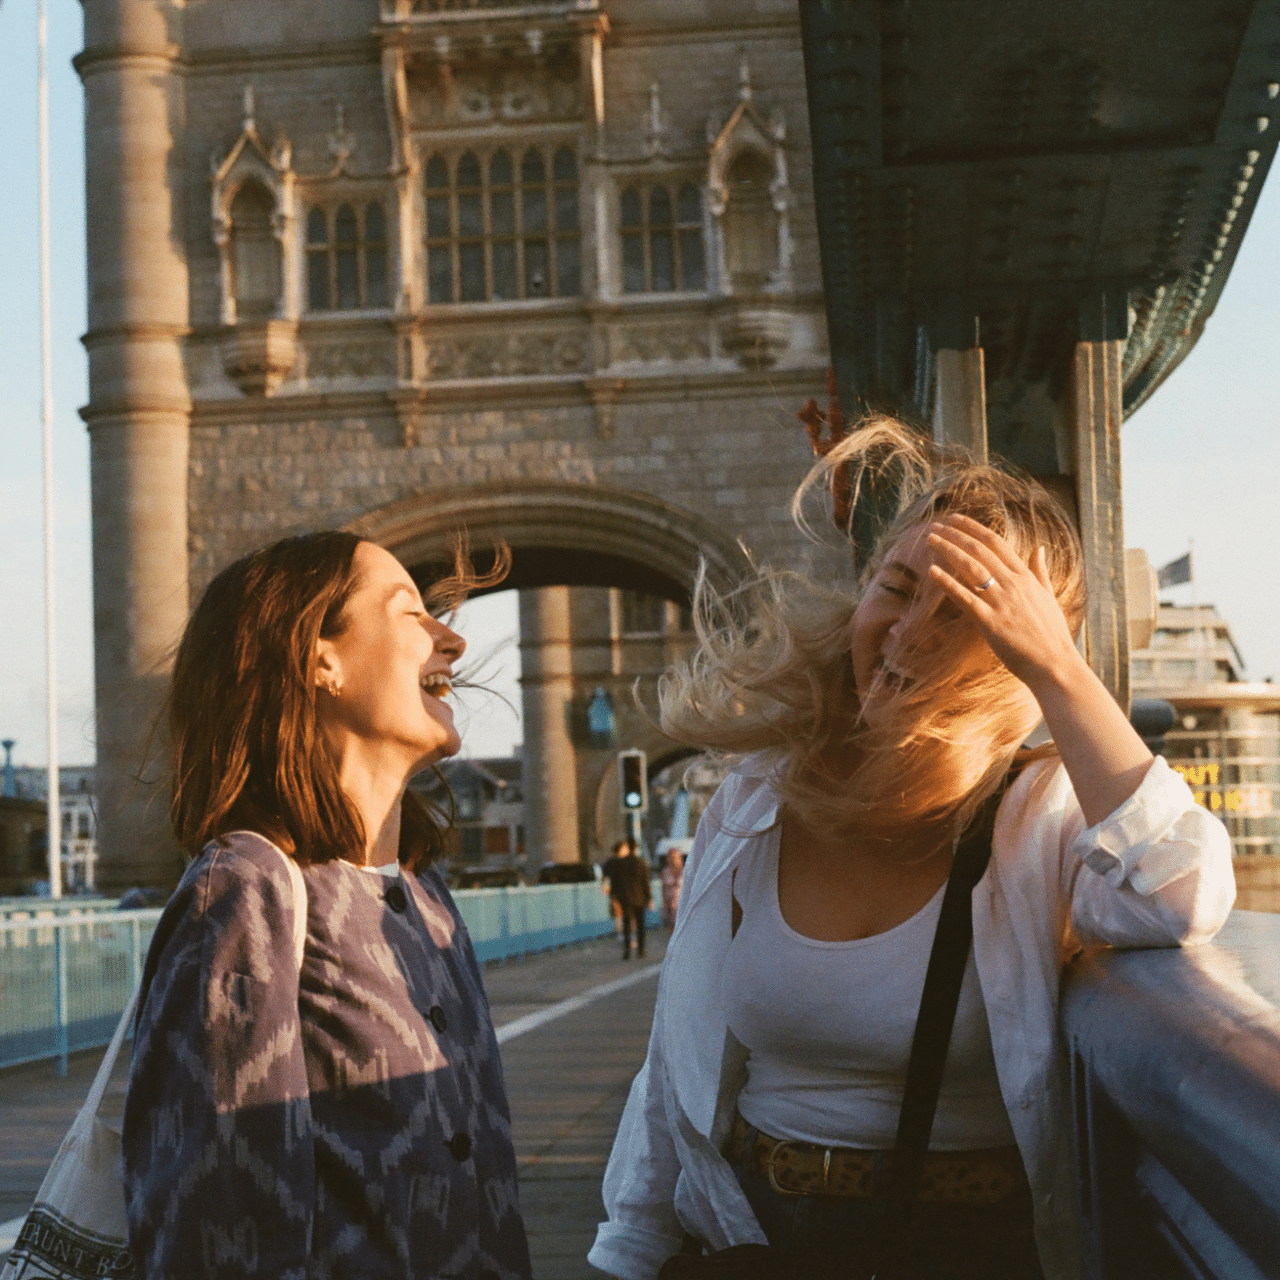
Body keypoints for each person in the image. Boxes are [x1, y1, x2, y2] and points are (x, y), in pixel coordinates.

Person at [589, 419, 1234, 1280]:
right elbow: (671, 1071)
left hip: (966, 1249)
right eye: (896, 587)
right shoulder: (757, 797)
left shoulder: (1038, 812)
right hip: (761, 1234)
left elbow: (1180, 892)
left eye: (964, 614)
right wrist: (623, 1251)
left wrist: (1063, 672)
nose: (908, 633)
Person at [122, 531, 532, 1280]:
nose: (454, 639)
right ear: (320, 658)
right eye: (412, 613)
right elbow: (216, 1237)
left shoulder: (427, 900)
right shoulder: (247, 893)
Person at [602, 838, 653, 960]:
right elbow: (645, 882)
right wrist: (649, 898)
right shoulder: (641, 863)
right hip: (639, 899)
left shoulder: (619, 864)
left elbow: (614, 882)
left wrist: (615, 895)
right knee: (640, 925)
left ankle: (627, 951)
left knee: (626, 924)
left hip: (624, 898)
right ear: (635, 849)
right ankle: (641, 950)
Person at [660, 848, 685, 929]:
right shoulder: (665, 872)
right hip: (670, 904)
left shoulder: (685, 871)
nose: (673, 859)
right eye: (671, 857)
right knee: (671, 929)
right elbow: (663, 888)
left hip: (682, 904)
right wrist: (665, 904)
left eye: (675, 857)